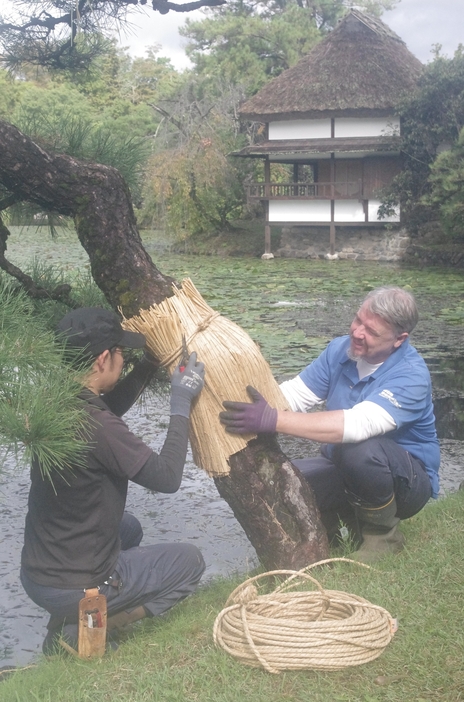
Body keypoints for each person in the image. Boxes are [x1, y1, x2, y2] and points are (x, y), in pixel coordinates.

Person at [20, 307, 206, 654]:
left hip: (38, 576)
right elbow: (167, 478)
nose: (124, 359)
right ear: (103, 358)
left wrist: (148, 366)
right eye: (122, 353)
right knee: (189, 561)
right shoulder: (99, 427)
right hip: (78, 585)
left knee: (129, 528)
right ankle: (85, 630)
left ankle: (67, 617)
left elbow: (108, 409)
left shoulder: (53, 404)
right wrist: (181, 400)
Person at [219, 286, 439, 562]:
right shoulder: (340, 350)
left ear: (399, 339)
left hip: (406, 484)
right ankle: (330, 538)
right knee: (283, 478)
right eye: (358, 320)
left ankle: (383, 539)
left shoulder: (411, 375)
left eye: (371, 332)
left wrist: (273, 419)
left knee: (358, 449)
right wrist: (247, 402)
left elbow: (357, 425)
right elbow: (295, 395)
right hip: (343, 464)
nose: (358, 333)